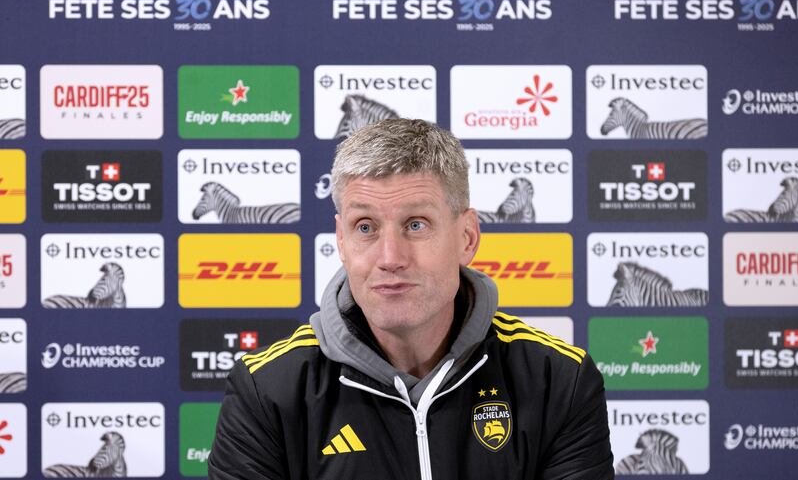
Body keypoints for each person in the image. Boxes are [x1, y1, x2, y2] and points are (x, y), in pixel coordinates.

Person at [209, 118, 614, 480]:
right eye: (365, 227)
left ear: (467, 237)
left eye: (416, 225)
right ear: (342, 242)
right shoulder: (266, 390)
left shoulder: (558, 380)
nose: (390, 258)